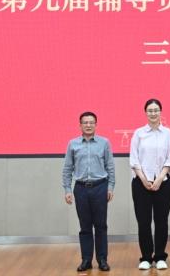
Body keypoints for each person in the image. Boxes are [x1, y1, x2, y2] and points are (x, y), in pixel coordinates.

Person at [62, 111, 115, 272]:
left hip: (100, 187)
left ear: (96, 125)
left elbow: (110, 167)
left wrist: (110, 187)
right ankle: (86, 260)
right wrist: (67, 189)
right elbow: (67, 169)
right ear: (80, 125)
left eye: (91, 122)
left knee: (101, 226)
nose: (88, 125)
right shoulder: (73, 144)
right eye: (85, 122)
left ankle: (102, 259)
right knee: (85, 226)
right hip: (81, 189)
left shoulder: (104, 143)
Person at [129, 98, 170, 270]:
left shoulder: (168, 133)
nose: (153, 113)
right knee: (143, 221)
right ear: (146, 113)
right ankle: (146, 258)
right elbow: (134, 160)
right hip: (141, 183)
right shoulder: (138, 133)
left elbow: (169, 159)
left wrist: (159, 179)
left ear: (160, 112)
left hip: (163, 182)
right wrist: (144, 179)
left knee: (162, 221)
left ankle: (160, 256)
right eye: (150, 110)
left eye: (156, 110)